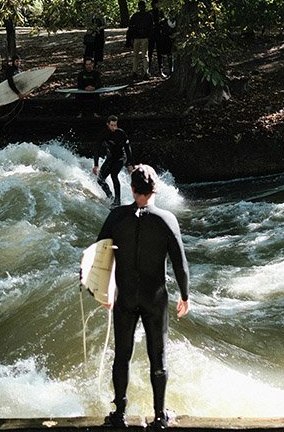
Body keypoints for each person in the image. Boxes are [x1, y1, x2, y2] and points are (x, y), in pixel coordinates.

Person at [96, 164, 190, 430]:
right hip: (155, 297)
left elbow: (99, 254)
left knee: (122, 355)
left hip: (124, 296)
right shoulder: (166, 220)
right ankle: (160, 417)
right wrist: (185, 295)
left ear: (132, 188)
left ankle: (119, 415)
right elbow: (180, 264)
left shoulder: (116, 218)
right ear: (155, 188)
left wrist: (102, 291)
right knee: (158, 357)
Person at [93, 115, 133, 207]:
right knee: (100, 179)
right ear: (108, 124)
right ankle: (110, 196)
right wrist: (96, 165)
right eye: (112, 125)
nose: (114, 127)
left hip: (121, 157)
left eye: (115, 125)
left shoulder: (121, 133)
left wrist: (130, 164)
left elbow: (127, 148)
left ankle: (117, 201)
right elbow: (96, 149)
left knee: (114, 174)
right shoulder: (104, 133)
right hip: (110, 158)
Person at [125, 1, 153, 78]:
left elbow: (130, 28)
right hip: (141, 38)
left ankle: (137, 72)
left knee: (137, 56)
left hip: (139, 38)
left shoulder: (136, 16)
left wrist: (130, 38)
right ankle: (144, 72)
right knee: (143, 55)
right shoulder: (147, 16)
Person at [149, 0, 163, 76]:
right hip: (151, 35)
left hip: (159, 34)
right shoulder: (149, 13)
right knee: (150, 53)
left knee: (159, 52)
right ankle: (148, 70)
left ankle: (160, 70)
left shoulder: (161, 12)